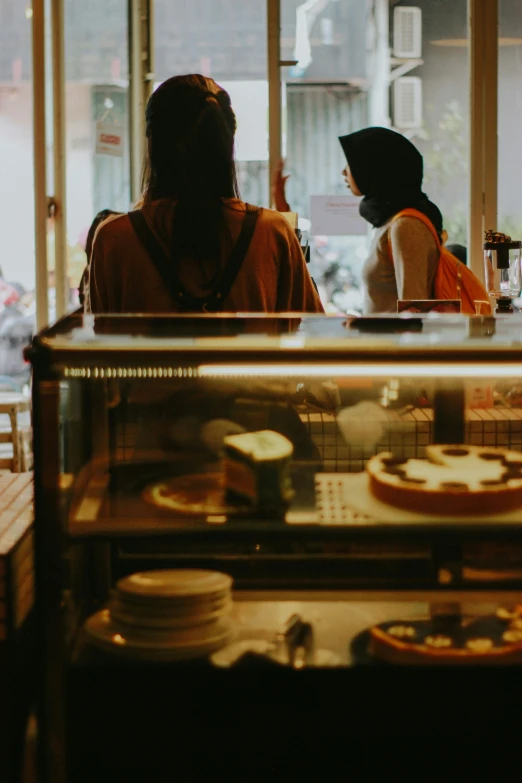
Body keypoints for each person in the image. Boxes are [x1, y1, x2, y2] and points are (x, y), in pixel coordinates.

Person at [89, 74, 323, 315]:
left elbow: (97, 345)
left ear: (153, 143)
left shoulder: (114, 239)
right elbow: (314, 334)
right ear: (228, 144)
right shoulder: (273, 232)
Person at [273, 127, 444, 314]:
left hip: (390, 343)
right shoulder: (389, 222)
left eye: (350, 163)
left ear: (373, 167)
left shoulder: (406, 226)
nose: (343, 172)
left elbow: (414, 316)